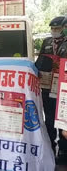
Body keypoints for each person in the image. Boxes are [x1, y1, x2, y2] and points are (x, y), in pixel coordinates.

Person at [36, 16, 67, 164]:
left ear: (65, 28)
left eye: (58, 29)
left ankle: (63, 150)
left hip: (63, 88)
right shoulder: (47, 42)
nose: (54, 31)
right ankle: (50, 148)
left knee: (62, 121)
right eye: (53, 29)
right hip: (47, 87)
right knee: (49, 119)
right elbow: (40, 61)